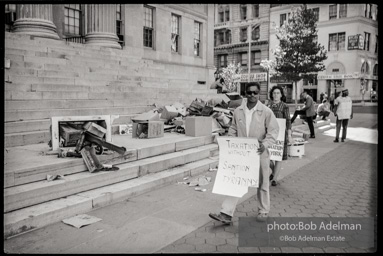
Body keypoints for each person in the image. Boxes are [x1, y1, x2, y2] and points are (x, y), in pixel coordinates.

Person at [208, 82, 279, 223]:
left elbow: (273, 132)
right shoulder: (238, 111)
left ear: (259, 94)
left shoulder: (266, 111)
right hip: (242, 153)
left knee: (262, 183)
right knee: (236, 181)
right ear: (245, 94)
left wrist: (265, 145)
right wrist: (231, 144)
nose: (252, 95)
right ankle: (226, 214)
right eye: (249, 92)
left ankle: (263, 211)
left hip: (259, 152)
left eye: (255, 92)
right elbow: (233, 129)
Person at [267, 86, 293, 186]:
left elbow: (288, 121)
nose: (276, 95)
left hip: (281, 135)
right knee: (267, 156)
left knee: (278, 157)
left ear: (281, 95)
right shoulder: (268, 106)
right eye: (274, 93)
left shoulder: (284, 106)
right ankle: (273, 172)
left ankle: (275, 179)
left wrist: (289, 135)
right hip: (269, 134)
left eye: (278, 93)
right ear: (271, 94)